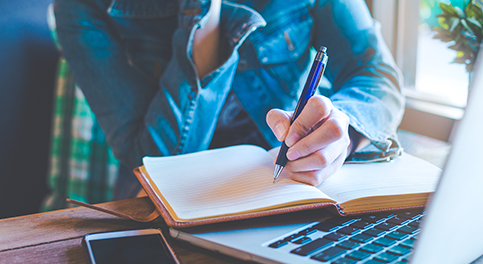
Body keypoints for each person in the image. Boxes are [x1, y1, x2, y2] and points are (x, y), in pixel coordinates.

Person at [53, 0, 404, 200]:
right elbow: (153, 164)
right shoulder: (82, 7)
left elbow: (376, 74)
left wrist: (342, 128)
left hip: (285, 187)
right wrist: (203, 16)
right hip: (161, 208)